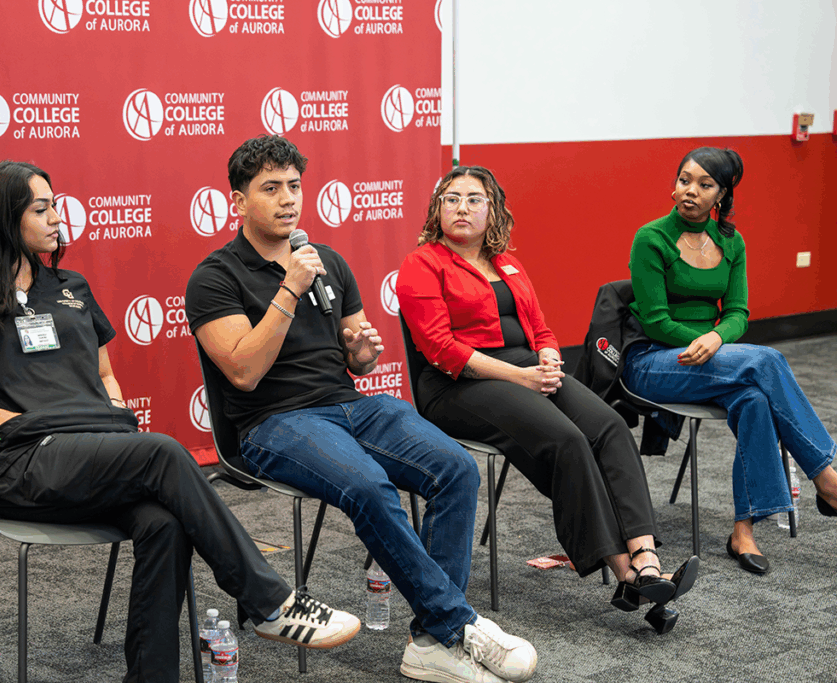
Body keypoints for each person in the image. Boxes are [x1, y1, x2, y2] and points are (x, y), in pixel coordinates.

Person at [0, 161, 361, 683]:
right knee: (162, 451)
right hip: (23, 463)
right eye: (41, 209)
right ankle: (271, 601)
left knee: (164, 522)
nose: (56, 218)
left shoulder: (70, 286)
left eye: (55, 205)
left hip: (92, 452)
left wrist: (114, 411)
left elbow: (103, 372)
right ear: (3, 218)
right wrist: (6, 420)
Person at [185, 135, 538, 683]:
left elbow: (357, 357)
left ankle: (430, 643)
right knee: (370, 486)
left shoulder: (327, 260)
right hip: (271, 423)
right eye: (271, 188)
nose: (288, 199)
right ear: (238, 201)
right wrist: (288, 289)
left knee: (456, 469)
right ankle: (455, 626)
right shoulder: (215, 277)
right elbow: (243, 372)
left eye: (294, 186)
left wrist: (362, 353)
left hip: (348, 404)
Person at [396, 165, 699, 635]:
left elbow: (541, 329)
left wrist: (550, 359)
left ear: (493, 210)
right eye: (451, 199)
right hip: (457, 385)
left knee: (610, 427)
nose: (462, 208)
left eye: (474, 199)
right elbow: (441, 349)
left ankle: (647, 558)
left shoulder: (507, 263)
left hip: (527, 370)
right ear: (437, 210)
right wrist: (521, 376)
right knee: (566, 440)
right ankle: (626, 576)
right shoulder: (422, 264)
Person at [622, 147, 837, 574]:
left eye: (704, 185)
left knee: (754, 399)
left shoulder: (731, 242)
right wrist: (707, 341)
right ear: (674, 186)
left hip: (711, 357)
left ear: (720, 195)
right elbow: (657, 321)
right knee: (767, 361)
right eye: (684, 180)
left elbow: (738, 312)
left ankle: (743, 531)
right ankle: (827, 478)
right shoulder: (651, 238)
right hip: (654, 360)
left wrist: (717, 337)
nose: (690, 191)